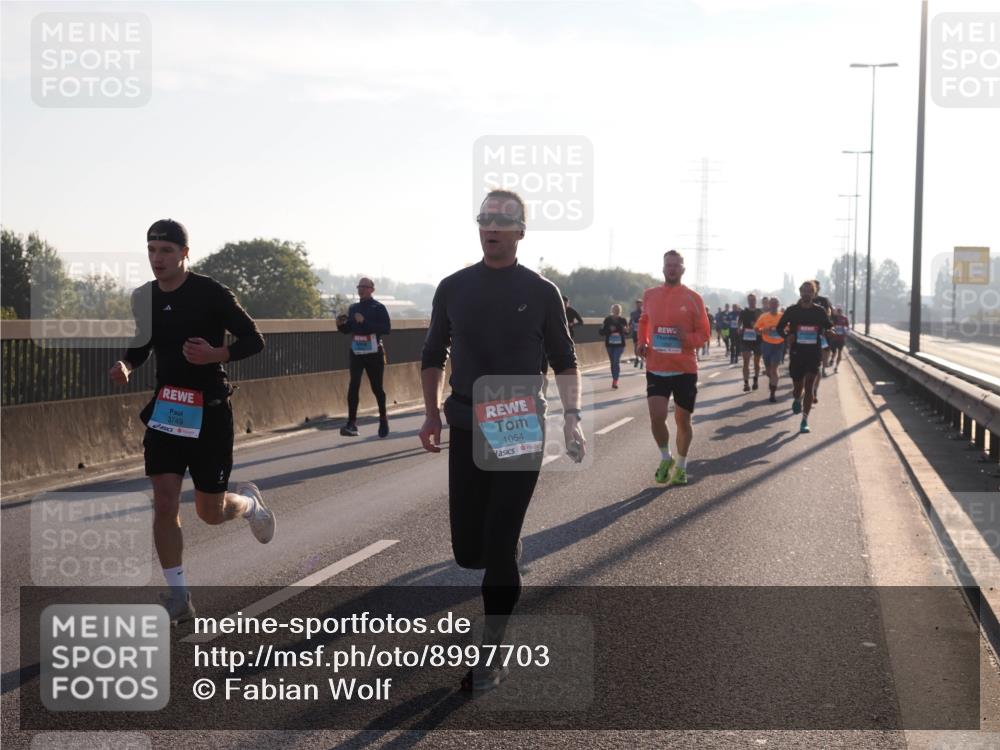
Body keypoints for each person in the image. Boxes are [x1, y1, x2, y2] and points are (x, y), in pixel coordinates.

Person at [419, 189, 585, 692]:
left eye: (503, 219)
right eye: (485, 217)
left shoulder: (540, 291)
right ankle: (503, 550)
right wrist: (431, 415)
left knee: (497, 546)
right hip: (467, 422)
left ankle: (491, 651)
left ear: (520, 231)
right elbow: (431, 354)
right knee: (469, 550)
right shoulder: (453, 287)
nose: (492, 226)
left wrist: (572, 417)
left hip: (517, 423)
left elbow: (565, 360)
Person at [109, 219, 274, 624]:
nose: (156, 259)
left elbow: (254, 339)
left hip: (210, 410)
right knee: (164, 502)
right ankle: (179, 596)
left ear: (184, 252)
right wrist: (128, 363)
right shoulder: (143, 297)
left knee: (209, 512)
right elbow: (144, 343)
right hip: (168, 409)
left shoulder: (210, 293)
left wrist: (217, 355)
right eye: (151, 250)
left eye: (165, 250)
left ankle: (250, 504)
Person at [636, 250, 711, 486]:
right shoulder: (650, 294)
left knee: (683, 419)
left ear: (683, 269)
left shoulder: (694, 298)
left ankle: (681, 464)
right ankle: (665, 457)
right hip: (656, 366)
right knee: (656, 417)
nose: (672, 269)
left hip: (684, 369)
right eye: (668, 265)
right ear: (663, 268)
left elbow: (705, 334)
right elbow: (644, 321)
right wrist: (642, 341)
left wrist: (686, 337)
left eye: (676, 265)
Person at [774, 281, 833, 434]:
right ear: (800, 292)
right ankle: (796, 398)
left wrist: (830, 331)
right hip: (797, 353)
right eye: (804, 291)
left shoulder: (819, 311)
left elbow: (828, 325)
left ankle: (805, 420)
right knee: (797, 388)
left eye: (810, 291)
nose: (807, 294)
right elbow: (779, 328)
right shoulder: (792, 310)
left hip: (813, 353)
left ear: (814, 294)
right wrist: (788, 336)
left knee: (809, 387)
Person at [336, 277, 392, 438]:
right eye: (359, 286)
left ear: (371, 289)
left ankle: (383, 418)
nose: (360, 289)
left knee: (377, 388)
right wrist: (341, 325)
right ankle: (351, 423)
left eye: (364, 287)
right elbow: (350, 329)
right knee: (353, 385)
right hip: (357, 352)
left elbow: (386, 329)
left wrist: (365, 321)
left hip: (374, 353)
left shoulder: (379, 308)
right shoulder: (353, 308)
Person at [754, 297, 785, 403]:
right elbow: (756, 329)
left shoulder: (783, 316)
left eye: (775, 303)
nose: (773, 305)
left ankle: (772, 394)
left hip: (778, 345)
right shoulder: (763, 316)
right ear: (769, 305)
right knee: (768, 371)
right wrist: (763, 330)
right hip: (766, 345)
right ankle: (772, 381)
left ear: (778, 305)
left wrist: (783, 331)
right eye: (772, 303)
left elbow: (788, 329)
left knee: (774, 369)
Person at [599, 304, 629, 388]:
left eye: (618, 309)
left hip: (620, 345)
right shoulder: (607, 320)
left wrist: (625, 330)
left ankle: (615, 381)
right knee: (613, 363)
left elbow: (627, 332)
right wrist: (609, 330)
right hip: (610, 344)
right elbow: (601, 332)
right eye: (615, 309)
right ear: (612, 310)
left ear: (620, 311)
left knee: (616, 361)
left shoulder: (623, 320)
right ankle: (614, 378)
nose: (616, 311)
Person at [738, 294, 762, 392]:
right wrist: (739, 328)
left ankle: (755, 379)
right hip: (746, 339)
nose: (751, 301)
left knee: (757, 362)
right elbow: (739, 322)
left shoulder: (760, 312)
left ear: (756, 301)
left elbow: (763, 325)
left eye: (753, 300)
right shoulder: (744, 312)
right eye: (750, 300)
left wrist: (757, 327)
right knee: (746, 362)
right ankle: (746, 383)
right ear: (748, 301)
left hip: (757, 340)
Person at [829, 307, 850, 373]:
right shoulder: (834, 318)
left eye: (840, 312)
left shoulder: (845, 318)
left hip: (841, 338)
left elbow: (847, 327)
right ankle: (832, 359)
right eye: (838, 312)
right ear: (837, 312)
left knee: (840, 352)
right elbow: (830, 326)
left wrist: (846, 332)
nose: (839, 313)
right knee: (834, 352)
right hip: (834, 338)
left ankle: (836, 367)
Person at [629, 299, 644, 368]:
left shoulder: (645, 312)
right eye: (637, 304)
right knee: (635, 346)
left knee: (642, 346)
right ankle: (637, 357)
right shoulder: (633, 313)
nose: (638, 305)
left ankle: (642, 359)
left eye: (639, 303)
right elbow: (630, 322)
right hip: (635, 332)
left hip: (643, 332)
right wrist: (630, 326)